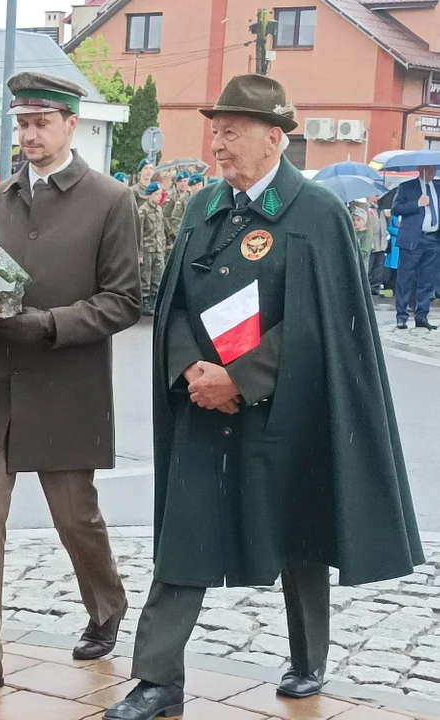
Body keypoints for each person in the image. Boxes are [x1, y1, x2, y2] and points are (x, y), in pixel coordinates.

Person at [104, 74, 423, 720]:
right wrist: (192, 369)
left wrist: (242, 378)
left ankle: (307, 659)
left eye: (232, 131)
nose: (218, 144)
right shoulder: (200, 208)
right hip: (201, 405)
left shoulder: (316, 215)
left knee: (298, 534)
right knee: (182, 537)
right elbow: (173, 306)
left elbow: (322, 324)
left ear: (274, 137)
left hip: (284, 410)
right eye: (215, 130)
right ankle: (158, 680)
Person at [0, 71, 142, 703]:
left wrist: (47, 324)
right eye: (22, 123)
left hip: (66, 386)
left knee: (76, 516)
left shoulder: (111, 199)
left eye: (41, 122)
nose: (29, 134)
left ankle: (106, 603)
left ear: (73, 124)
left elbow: (123, 301)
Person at [392, 165, 440, 330]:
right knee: (405, 278)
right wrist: (417, 204)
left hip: (433, 240)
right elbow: (396, 209)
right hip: (413, 240)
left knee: (427, 281)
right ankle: (402, 316)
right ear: (421, 169)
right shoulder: (406, 187)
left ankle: (422, 316)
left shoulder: (438, 188)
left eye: (435, 169)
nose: (433, 172)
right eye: (430, 169)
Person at [139, 181, 165, 316]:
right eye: (156, 194)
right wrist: (139, 253)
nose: (159, 197)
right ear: (149, 195)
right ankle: (145, 301)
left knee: (158, 275)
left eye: (160, 194)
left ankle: (155, 300)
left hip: (158, 248)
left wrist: (164, 245)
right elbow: (139, 233)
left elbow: (161, 230)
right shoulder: (143, 211)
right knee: (146, 277)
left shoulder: (159, 209)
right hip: (147, 249)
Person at [164, 170, 191, 255]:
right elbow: (166, 218)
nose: (183, 184)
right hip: (173, 236)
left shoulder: (191, 196)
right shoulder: (170, 197)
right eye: (180, 181)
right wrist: (170, 238)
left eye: (185, 181)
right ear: (176, 183)